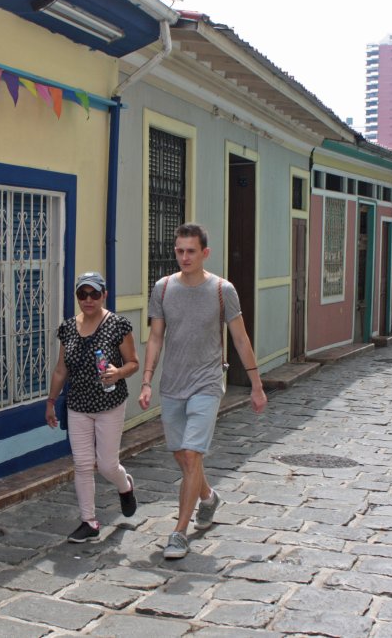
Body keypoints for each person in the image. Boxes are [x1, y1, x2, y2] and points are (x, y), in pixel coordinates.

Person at [139, 223, 267, 560]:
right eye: (179, 250)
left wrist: (256, 385)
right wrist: (148, 379)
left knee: (193, 455)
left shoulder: (222, 290)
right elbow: (155, 337)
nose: (184, 256)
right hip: (172, 384)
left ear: (204, 253)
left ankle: (179, 532)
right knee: (181, 456)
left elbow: (240, 338)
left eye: (191, 251)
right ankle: (208, 497)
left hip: (208, 383)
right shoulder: (163, 289)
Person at [45, 271, 139, 543]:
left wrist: (118, 372)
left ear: (104, 294)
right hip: (78, 406)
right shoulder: (68, 328)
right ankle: (89, 521)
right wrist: (51, 401)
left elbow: (134, 362)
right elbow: (61, 369)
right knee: (83, 464)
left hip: (109, 403)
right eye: (82, 294)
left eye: (94, 294)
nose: (88, 299)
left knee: (107, 466)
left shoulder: (118, 325)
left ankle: (125, 485)